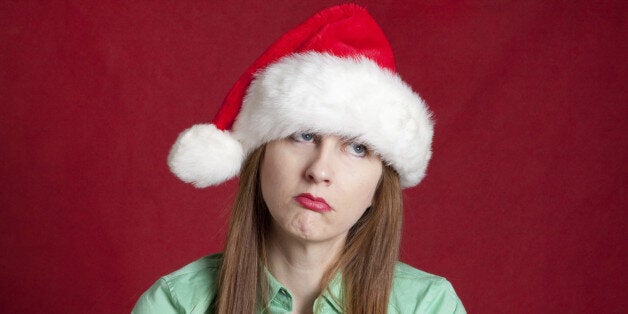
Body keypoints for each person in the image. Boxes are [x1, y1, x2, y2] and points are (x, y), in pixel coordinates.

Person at [133, 4, 465, 314]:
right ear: (260, 156)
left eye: (357, 148)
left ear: (380, 186)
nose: (319, 170)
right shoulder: (175, 303)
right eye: (304, 135)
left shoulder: (430, 305)